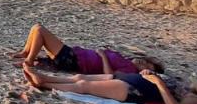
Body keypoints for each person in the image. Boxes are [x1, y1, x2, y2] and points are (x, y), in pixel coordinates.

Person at [22, 63, 197, 104]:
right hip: (136, 80)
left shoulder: (196, 102)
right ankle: (44, 78)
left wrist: (159, 83)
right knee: (79, 77)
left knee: (84, 86)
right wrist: (150, 73)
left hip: (135, 90)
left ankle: (45, 84)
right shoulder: (190, 89)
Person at [12, 24, 164, 75]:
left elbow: (109, 74)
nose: (142, 61)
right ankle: (26, 51)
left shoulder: (129, 70)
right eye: (145, 61)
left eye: (145, 65)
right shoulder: (126, 61)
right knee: (36, 28)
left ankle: (29, 60)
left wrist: (103, 56)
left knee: (39, 30)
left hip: (73, 61)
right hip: (74, 55)